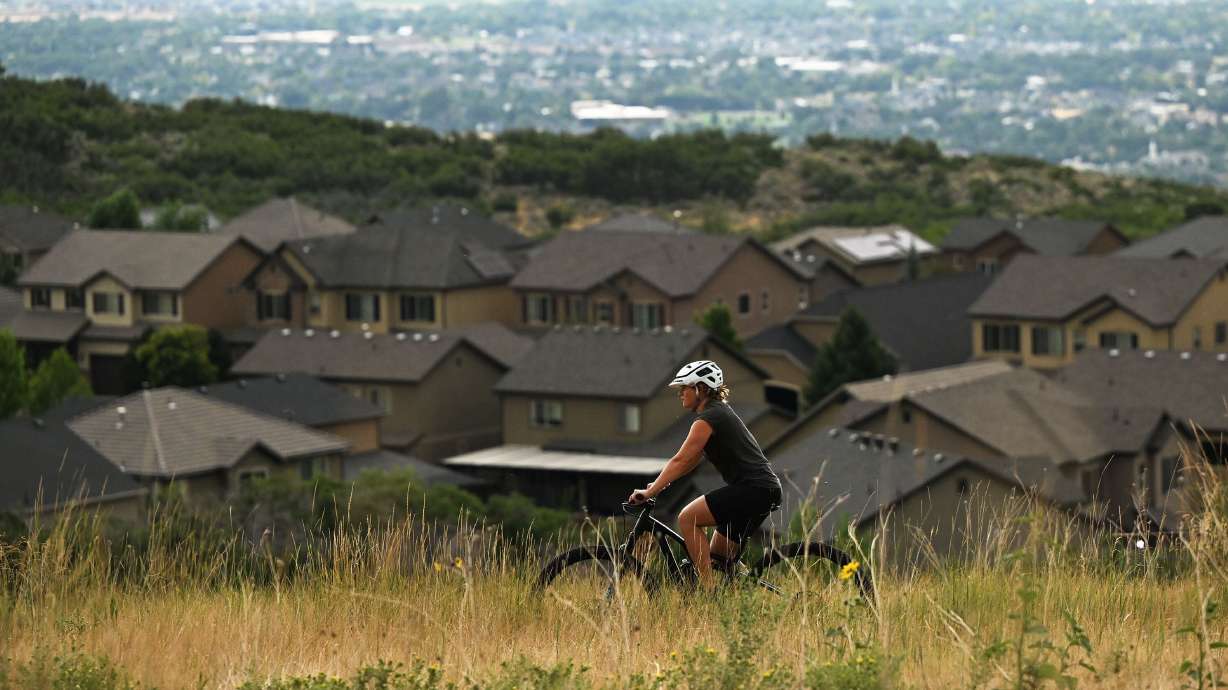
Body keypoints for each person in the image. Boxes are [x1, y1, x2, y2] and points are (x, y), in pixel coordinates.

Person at [627, 360, 783, 590]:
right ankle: (741, 596)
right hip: (762, 491)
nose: (680, 393)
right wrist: (660, 483)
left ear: (700, 389)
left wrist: (651, 491)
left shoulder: (709, 418)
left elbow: (680, 459)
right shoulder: (717, 413)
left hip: (753, 489)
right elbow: (690, 461)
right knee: (719, 559)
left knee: (687, 518)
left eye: (684, 388)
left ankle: (708, 593)